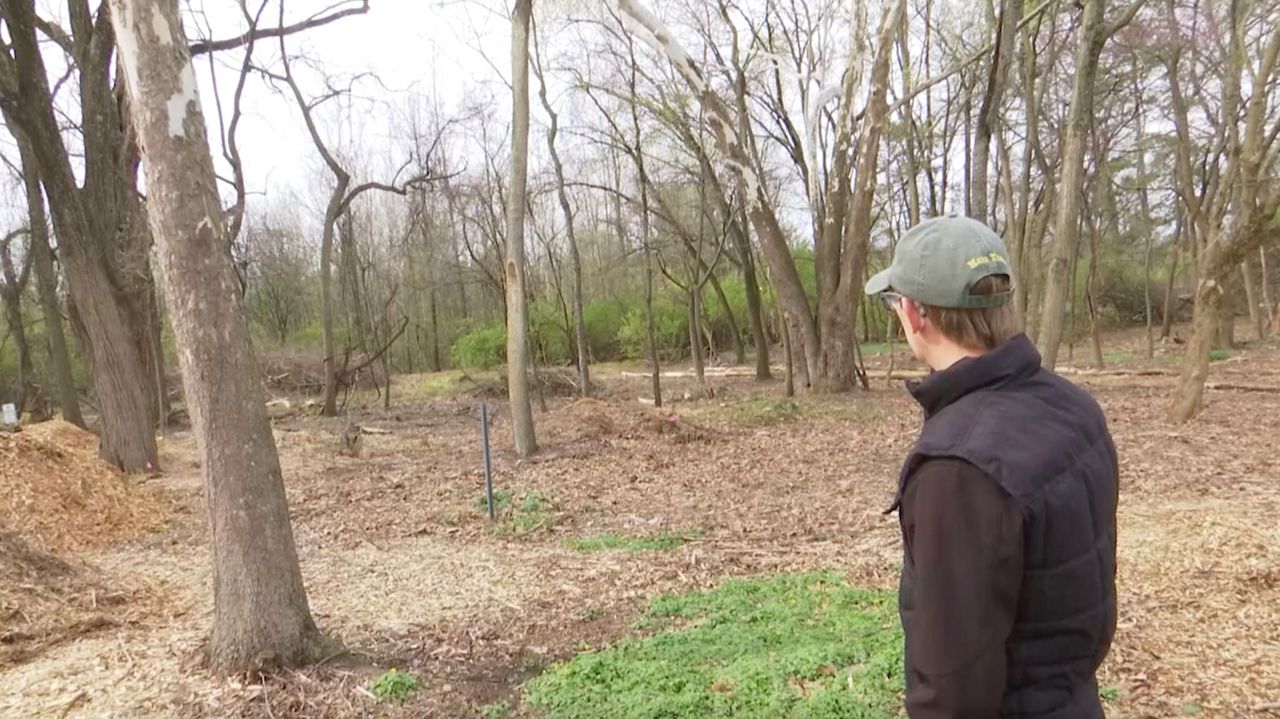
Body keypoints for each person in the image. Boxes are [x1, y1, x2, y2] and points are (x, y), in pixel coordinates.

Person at [864, 215, 1119, 718]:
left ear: (914, 314)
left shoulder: (959, 467)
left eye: (895, 302)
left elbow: (953, 686)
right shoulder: (1074, 408)